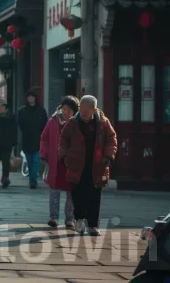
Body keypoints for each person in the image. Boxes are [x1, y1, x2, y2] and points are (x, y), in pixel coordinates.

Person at [59, 95, 117, 236]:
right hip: (77, 165)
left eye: (87, 109)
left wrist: (109, 155)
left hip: (96, 166)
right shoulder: (73, 123)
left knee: (94, 196)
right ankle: (79, 219)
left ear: (94, 109)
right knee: (78, 195)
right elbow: (63, 140)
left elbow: (112, 139)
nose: (83, 112)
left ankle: (92, 225)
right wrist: (65, 156)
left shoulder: (103, 122)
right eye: (81, 109)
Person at [40, 96, 80, 229]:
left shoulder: (77, 124)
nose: (66, 112)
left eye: (70, 110)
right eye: (64, 109)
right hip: (55, 162)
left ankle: (69, 219)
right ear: (60, 108)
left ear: (74, 112)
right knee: (54, 192)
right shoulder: (52, 121)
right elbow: (44, 138)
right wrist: (44, 154)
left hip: (71, 164)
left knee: (72, 194)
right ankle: (53, 217)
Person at [18, 90, 48, 189]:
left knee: (36, 161)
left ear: (35, 98)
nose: (30, 98)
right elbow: (20, 124)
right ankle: (32, 178)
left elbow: (45, 124)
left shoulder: (41, 110)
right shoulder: (22, 111)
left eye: (32, 96)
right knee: (30, 162)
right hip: (27, 139)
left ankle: (33, 180)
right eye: (29, 97)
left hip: (38, 140)